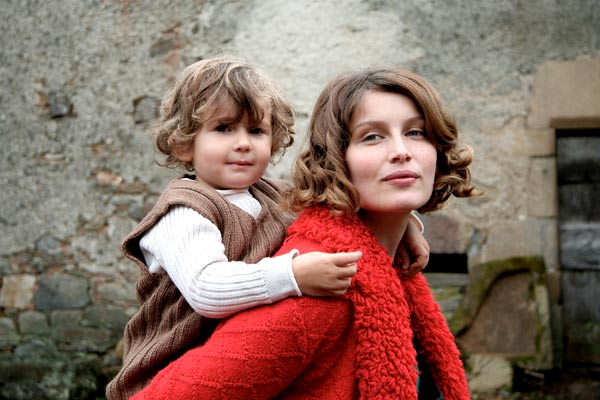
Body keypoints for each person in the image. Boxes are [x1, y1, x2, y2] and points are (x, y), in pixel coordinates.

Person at [130, 65, 477, 400]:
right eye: (372, 136)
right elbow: (207, 289)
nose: (242, 144)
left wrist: (408, 226)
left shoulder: (271, 196)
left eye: (416, 132)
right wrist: (292, 275)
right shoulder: (183, 213)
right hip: (160, 361)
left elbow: (319, 200)